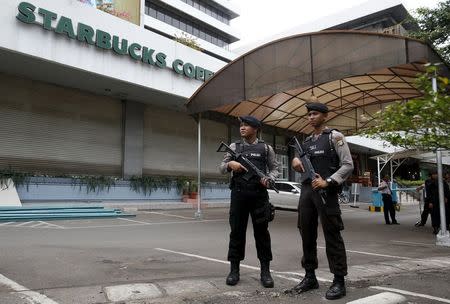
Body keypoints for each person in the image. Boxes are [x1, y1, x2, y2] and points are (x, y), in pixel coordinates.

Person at [286, 102, 353, 300]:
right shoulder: (306, 142)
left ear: (325, 116)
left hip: (327, 191)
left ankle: (339, 280)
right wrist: (295, 162)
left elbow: (348, 165)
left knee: (332, 234)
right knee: (306, 233)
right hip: (307, 190)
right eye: (309, 115)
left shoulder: (335, 137)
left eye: (315, 114)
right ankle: (310, 276)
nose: (311, 117)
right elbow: (300, 164)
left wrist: (329, 181)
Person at [219, 115, 279, 288]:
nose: (242, 128)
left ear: (256, 129)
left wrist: (269, 178)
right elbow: (221, 167)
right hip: (238, 195)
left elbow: (275, 168)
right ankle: (234, 270)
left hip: (259, 196)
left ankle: (265, 272)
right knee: (236, 232)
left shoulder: (266, 148)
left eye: (246, 125)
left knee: (262, 234)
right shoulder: (234, 147)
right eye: (241, 125)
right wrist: (231, 165)